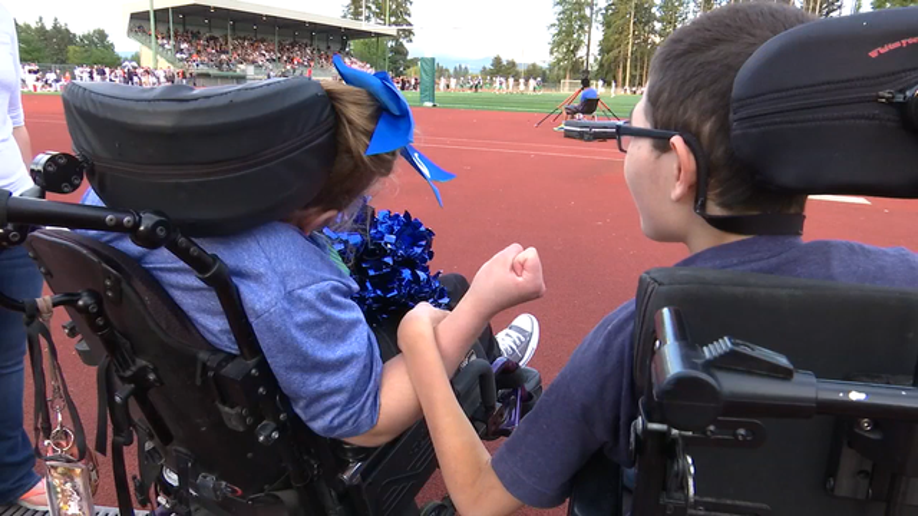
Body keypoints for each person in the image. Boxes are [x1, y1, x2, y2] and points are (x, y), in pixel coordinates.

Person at [394, 3, 918, 515]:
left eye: (632, 138)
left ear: (680, 169)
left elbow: (482, 499)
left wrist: (424, 353)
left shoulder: (641, 333)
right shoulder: (904, 283)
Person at [78, 62, 544, 451]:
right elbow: (368, 421)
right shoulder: (290, 278)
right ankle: (492, 388)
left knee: (441, 298)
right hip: (282, 425)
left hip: (185, 393)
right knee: (456, 292)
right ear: (316, 207)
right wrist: (484, 301)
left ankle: (492, 358)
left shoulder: (107, 207)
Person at [0, 2, 48, 510]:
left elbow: (13, 120)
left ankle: (10, 476)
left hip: (10, 206)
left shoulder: (2, 17)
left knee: (7, 358)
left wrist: (35, 211)